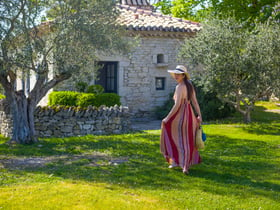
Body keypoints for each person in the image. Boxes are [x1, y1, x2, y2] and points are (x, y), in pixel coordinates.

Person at [160, 65, 202, 174]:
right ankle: (183, 165)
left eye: (178, 74)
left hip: (179, 116)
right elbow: (195, 102)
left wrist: (167, 118)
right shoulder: (190, 86)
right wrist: (199, 115)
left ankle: (178, 162)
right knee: (187, 140)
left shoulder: (179, 87)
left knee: (175, 137)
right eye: (175, 74)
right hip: (190, 115)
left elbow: (177, 105)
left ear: (183, 75)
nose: (176, 76)